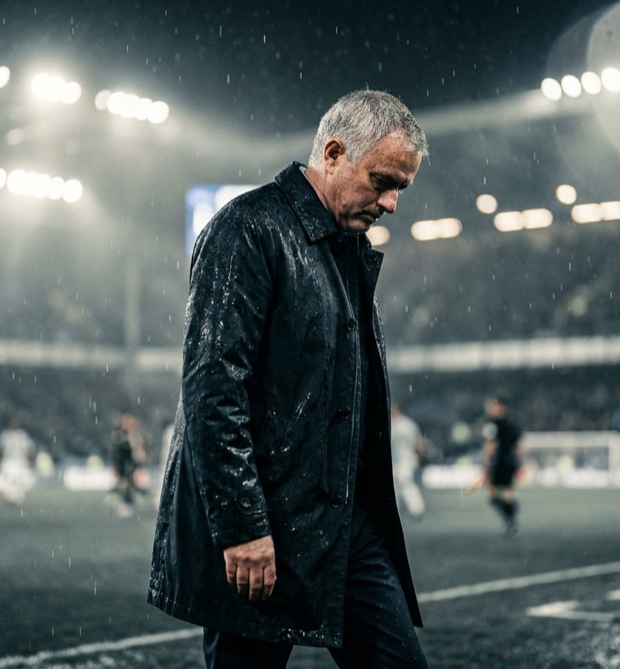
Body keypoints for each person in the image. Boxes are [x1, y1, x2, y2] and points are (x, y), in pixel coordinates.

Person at [148, 89, 429, 668]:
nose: (392, 203)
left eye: (400, 187)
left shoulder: (346, 247)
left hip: (344, 526)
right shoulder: (246, 229)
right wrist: (241, 525)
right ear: (333, 153)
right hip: (266, 523)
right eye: (382, 181)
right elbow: (213, 390)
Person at [481, 396, 523, 537]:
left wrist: (486, 465)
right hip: (510, 463)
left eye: (493, 406)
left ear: (500, 408)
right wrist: (519, 464)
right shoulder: (513, 425)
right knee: (506, 493)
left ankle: (511, 516)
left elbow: (490, 446)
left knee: (493, 496)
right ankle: (511, 519)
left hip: (498, 464)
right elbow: (520, 447)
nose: (490, 408)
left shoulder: (491, 425)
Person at [108, 412, 148, 518]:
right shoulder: (121, 436)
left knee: (127, 482)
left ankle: (128, 501)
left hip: (129, 463)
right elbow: (117, 451)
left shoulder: (132, 436)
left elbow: (138, 450)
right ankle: (126, 501)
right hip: (125, 463)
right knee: (126, 482)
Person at [390, 405, 426, 519]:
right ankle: (397, 509)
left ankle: (416, 508)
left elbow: (418, 442)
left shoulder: (406, 424)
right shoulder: (402, 424)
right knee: (394, 484)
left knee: (404, 481)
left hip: (406, 458)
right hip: (395, 459)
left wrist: (419, 455)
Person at [0, 419, 35, 506]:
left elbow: (28, 449)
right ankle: (10, 497)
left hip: (18, 460)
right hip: (10, 460)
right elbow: (1, 449)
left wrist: (27, 459)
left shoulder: (20, 435)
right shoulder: (7, 435)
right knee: (10, 480)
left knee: (17, 480)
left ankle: (16, 498)